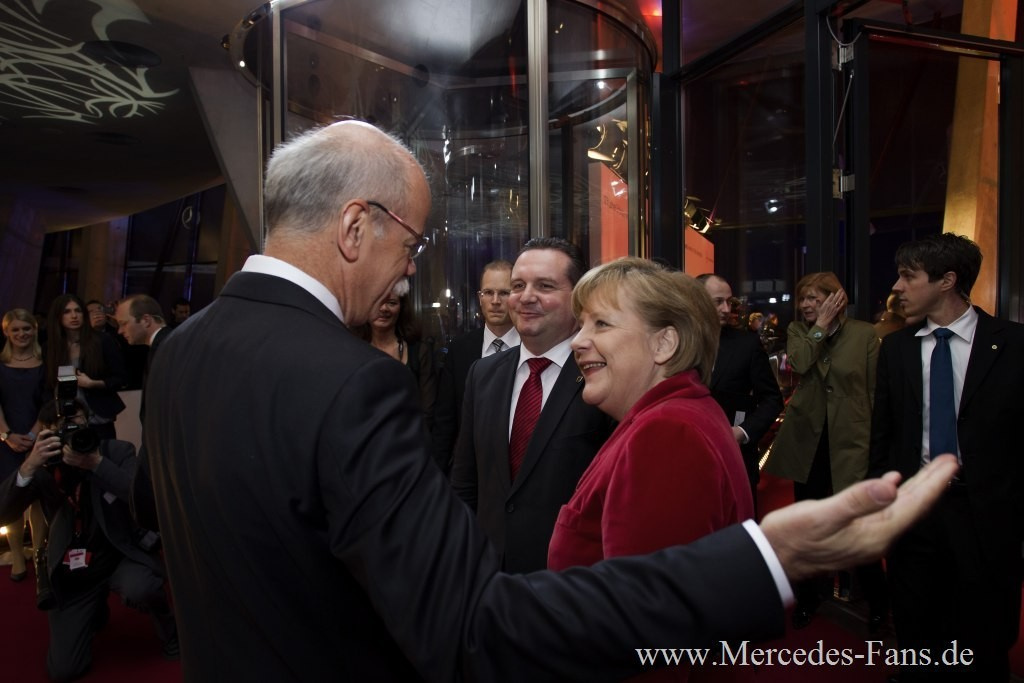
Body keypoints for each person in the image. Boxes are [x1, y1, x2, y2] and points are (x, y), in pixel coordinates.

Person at [142, 120, 959, 682]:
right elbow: (473, 627)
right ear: (356, 225)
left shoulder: (180, 351)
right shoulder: (350, 379)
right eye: (413, 242)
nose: (411, 269)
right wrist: (766, 556)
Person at [549, 259, 754, 682]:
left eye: (601, 323)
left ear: (664, 344)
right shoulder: (677, 415)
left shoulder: (667, 433)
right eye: (581, 324)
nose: (577, 341)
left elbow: (649, 638)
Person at [870, 233, 1024, 682]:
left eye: (908, 276)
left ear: (947, 281)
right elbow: (883, 435)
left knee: (984, 637)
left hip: (985, 516)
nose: (897, 286)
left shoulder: (1013, 345)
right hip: (914, 512)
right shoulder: (896, 350)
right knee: (916, 628)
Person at [451, 237, 615, 573]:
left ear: (578, 297)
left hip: (570, 580)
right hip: (490, 575)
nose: (526, 297)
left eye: (544, 286)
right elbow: (466, 482)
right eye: (518, 286)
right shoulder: (482, 374)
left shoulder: (604, 377)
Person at [0, 399, 176, 681]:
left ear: (89, 422)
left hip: (119, 555)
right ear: (47, 435)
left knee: (142, 587)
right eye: (62, 429)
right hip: (74, 570)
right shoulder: (44, 468)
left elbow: (142, 499)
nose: (71, 434)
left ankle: (170, 629)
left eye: (77, 424)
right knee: (64, 670)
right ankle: (94, 610)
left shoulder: (117, 451)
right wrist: (30, 465)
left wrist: (96, 464)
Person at [764, 272, 884, 630]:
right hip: (808, 440)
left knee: (857, 522)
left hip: (851, 439)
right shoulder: (799, 332)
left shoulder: (864, 334)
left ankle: (878, 601)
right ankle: (809, 596)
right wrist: (821, 327)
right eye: (803, 299)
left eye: (814, 299)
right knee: (810, 521)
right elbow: (800, 363)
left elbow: (874, 390)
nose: (805, 305)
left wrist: (876, 440)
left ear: (836, 299)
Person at [699, 274, 783, 509]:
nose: (726, 309)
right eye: (718, 302)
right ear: (696, 300)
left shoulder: (747, 344)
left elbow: (772, 399)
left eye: (729, 302)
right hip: (690, 463)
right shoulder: (675, 342)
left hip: (735, 462)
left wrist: (742, 432)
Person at [430, 260, 519, 474]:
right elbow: (445, 421)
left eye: (504, 293)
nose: (495, 301)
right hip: (471, 470)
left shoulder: (532, 347)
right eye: (488, 293)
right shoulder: (460, 350)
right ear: (480, 298)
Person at [0, 308, 47, 581]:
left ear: (35, 329)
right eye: (15, 329)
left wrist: (32, 436)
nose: (21, 334)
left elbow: (48, 403)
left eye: (26, 328)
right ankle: (17, 554)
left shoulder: (46, 362)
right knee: (12, 498)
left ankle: (39, 553)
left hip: (38, 439)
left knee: (38, 496)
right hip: (6, 442)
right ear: (6, 332)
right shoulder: (0, 363)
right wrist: (6, 435)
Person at [44, 295, 126, 440]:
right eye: (67, 312)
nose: (74, 316)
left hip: (98, 418)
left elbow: (121, 378)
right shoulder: (50, 347)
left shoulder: (102, 340)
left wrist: (93, 384)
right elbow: (48, 385)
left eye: (78, 311)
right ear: (57, 316)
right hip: (65, 418)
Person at [354, 287, 436, 429]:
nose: (384, 308)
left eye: (392, 303)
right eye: (377, 301)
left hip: (412, 437)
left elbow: (428, 411)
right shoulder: (353, 350)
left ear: (401, 308)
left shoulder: (419, 351)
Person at [112, 294, 169, 421]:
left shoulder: (165, 347)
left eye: (124, 323)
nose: (120, 331)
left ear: (146, 320)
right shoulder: (162, 344)